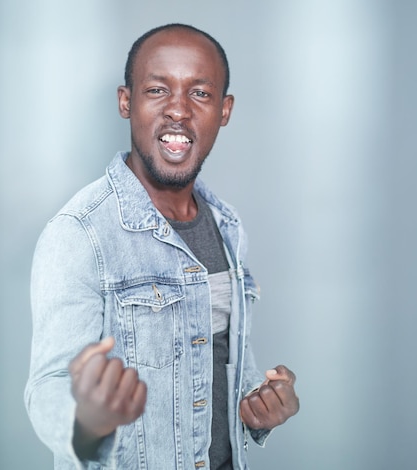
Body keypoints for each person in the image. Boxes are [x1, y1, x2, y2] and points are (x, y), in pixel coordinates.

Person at [24, 23, 299, 469]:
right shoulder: (79, 232)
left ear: (224, 110)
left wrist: (259, 406)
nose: (178, 110)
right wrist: (87, 421)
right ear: (125, 102)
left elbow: (219, 364)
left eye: (200, 94)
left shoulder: (226, 226)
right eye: (157, 90)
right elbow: (48, 386)